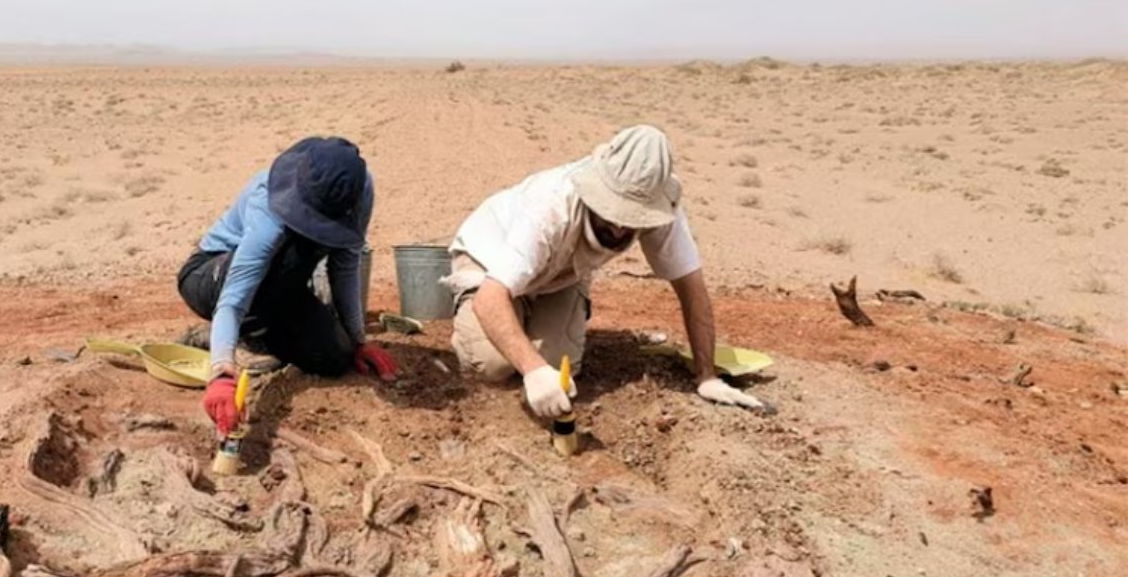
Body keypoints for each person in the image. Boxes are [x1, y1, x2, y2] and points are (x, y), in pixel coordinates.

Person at [445, 125, 763, 418]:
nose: (618, 225)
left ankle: (524, 318)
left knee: (561, 370)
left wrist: (706, 376)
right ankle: (475, 321)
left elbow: (691, 287)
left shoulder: (661, 207)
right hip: (489, 259)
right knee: (494, 365)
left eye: (632, 217)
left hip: (559, 275)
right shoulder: (551, 206)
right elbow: (491, 298)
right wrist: (532, 370)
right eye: (611, 209)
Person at [177, 136, 398, 435]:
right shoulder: (267, 202)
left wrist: (358, 340)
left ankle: (255, 334)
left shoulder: (358, 194)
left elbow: (345, 266)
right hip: (210, 277)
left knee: (334, 358)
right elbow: (234, 297)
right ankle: (230, 338)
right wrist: (221, 374)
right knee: (286, 257)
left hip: (281, 290)